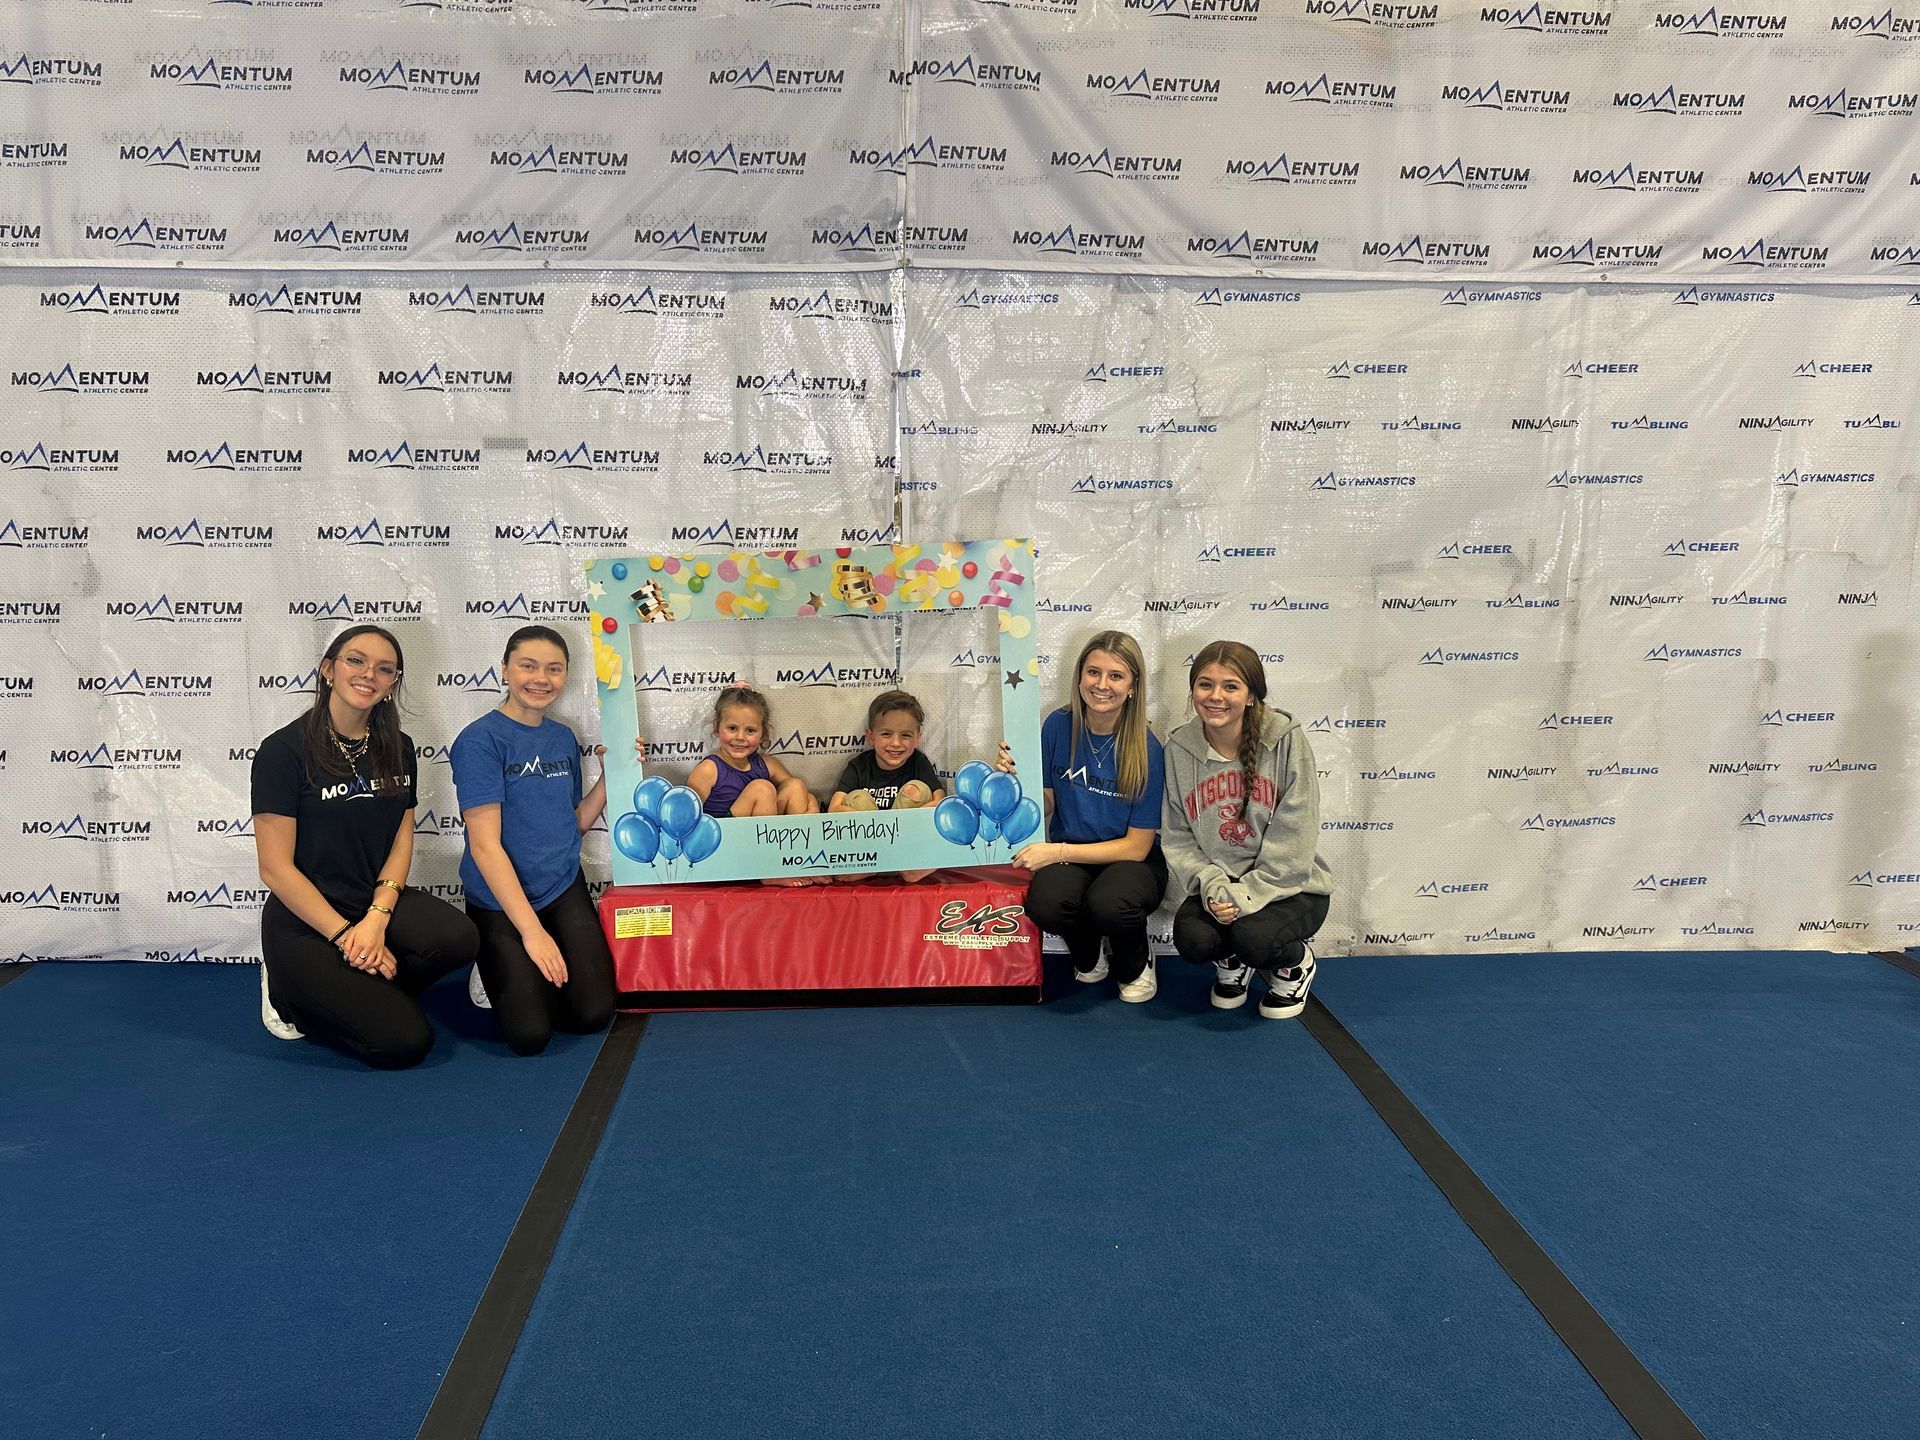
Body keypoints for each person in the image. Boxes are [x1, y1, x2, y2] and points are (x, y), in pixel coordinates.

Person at [251, 625, 478, 1068]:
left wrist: (376, 917)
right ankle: (286, 994)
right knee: (404, 1043)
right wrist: (343, 935)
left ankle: (357, 985)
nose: (368, 673)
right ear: (328, 670)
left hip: (370, 900)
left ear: (393, 684)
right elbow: (275, 869)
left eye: (384, 668)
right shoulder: (283, 751)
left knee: (459, 938)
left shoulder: (400, 746)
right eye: (356, 660)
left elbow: (401, 836)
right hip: (306, 918)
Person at [451, 625, 617, 1056]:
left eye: (554, 669)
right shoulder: (479, 740)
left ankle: (541, 947)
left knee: (592, 1014)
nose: (540, 678)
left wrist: (612, 774)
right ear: (504, 670)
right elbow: (486, 847)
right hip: (499, 899)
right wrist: (531, 933)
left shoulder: (562, 738)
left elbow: (575, 822)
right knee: (529, 1036)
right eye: (528, 666)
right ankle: (496, 961)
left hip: (560, 886)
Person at [1161, 641, 1333, 1019]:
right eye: (1205, 685)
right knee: (1193, 941)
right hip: (1219, 885)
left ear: (1252, 694)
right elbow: (1176, 834)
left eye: (1230, 686)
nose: (1215, 696)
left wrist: (1246, 895)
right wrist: (1215, 888)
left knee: (1254, 938)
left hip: (1290, 886)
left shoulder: (1285, 740)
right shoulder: (1177, 748)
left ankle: (1295, 964)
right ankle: (1233, 962)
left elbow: (1296, 832)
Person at [998, 630, 1167, 1002]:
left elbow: (1137, 847)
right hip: (1071, 847)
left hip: (1128, 859)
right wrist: (1013, 784)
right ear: (1079, 677)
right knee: (1045, 902)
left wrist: (1056, 852)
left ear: (1133, 687)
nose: (1102, 685)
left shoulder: (1148, 748)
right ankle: (1090, 956)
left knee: (1110, 902)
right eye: (1093, 673)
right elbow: (1045, 802)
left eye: (1116, 676)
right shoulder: (1057, 725)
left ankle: (1136, 963)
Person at [688, 685, 821, 885]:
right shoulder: (709, 769)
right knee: (762, 788)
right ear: (717, 728)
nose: (740, 737)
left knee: (797, 787)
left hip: (758, 841)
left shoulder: (766, 763)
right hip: (722, 847)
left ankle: (802, 861)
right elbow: (685, 821)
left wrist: (810, 812)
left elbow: (797, 795)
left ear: (763, 733)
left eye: (750, 730)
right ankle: (768, 871)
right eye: (732, 728)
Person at [830, 689, 945, 883]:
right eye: (886, 734)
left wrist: (900, 823)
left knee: (916, 788)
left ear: (918, 738)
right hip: (868, 852)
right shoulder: (859, 765)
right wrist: (879, 824)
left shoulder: (919, 762)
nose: (896, 743)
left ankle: (906, 864)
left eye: (906, 735)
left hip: (907, 852)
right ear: (870, 736)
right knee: (856, 798)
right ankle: (874, 863)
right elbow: (834, 808)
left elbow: (939, 801)